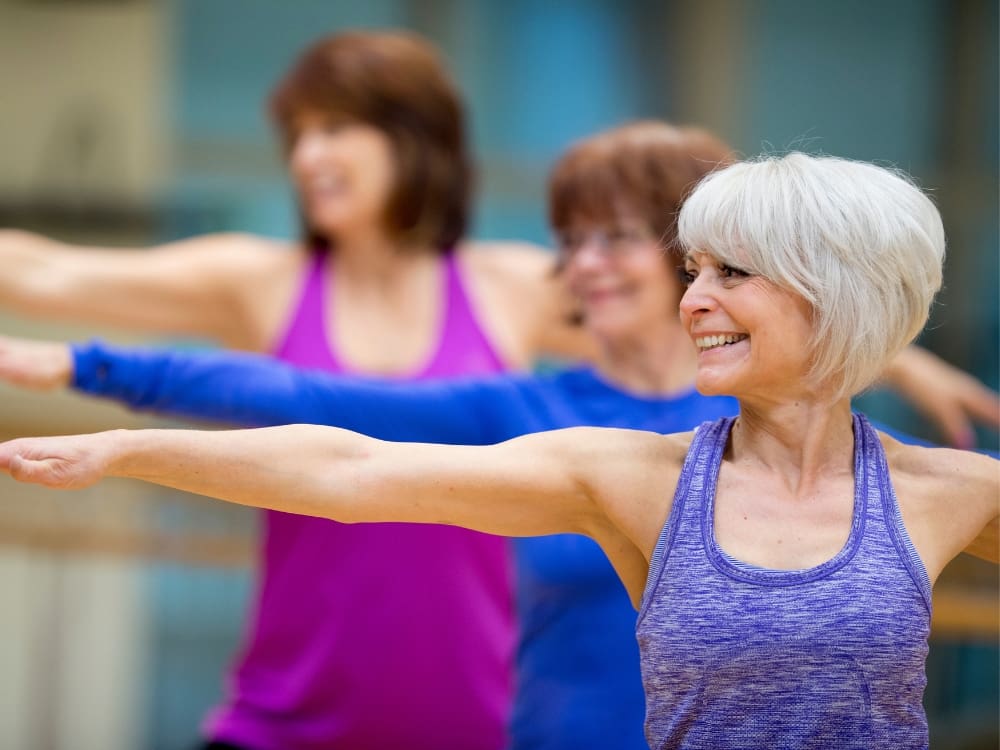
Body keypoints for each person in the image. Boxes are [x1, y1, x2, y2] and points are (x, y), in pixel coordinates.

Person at [2, 149, 998, 748]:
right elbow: (349, 467)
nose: (691, 299)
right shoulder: (628, 474)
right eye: (691, 270)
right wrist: (130, 448)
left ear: (836, 294)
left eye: (730, 273)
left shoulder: (948, 492)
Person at [0, 30, 599, 750]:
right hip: (280, 723)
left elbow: (671, 328)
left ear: (415, 140)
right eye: (299, 135)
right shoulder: (260, 282)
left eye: (336, 127)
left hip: (471, 724)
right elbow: (45, 274)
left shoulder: (510, 286)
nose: (307, 156)